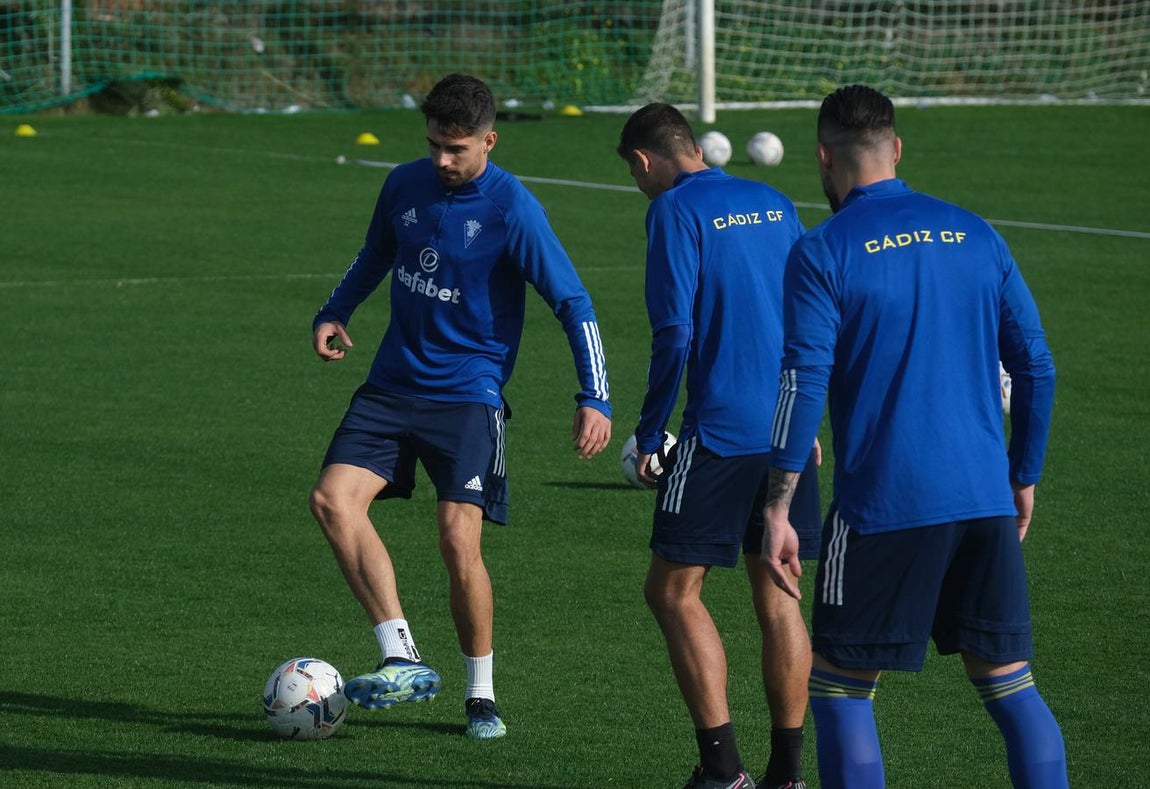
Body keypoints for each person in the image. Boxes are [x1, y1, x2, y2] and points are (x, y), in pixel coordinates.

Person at [761, 84, 1067, 787]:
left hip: (884, 506)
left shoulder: (822, 249)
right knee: (1010, 683)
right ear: (896, 149)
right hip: (984, 498)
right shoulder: (976, 233)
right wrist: (1023, 474)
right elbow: (1037, 366)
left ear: (823, 157)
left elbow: (802, 381)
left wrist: (778, 505)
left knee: (839, 687)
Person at [309, 73, 612, 740]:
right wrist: (335, 311)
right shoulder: (403, 184)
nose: (442, 160)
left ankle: (481, 695)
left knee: (456, 538)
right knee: (331, 501)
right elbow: (375, 254)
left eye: (457, 149)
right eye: (434, 146)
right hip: (391, 385)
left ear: (489, 141)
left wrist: (595, 396)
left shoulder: (512, 208)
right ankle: (400, 653)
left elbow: (573, 303)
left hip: (468, 397)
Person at [618, 102, 822, 789]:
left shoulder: (673, 210)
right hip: (787, 430)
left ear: (644, 160)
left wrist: (652, 431)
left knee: (672, 591)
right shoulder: (774, 200)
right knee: (780, 595)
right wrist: (807, 420)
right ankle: (787, 775)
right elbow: (812, 315)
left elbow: (674, 333)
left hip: (720, 433)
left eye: (636, 175)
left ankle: (724, 770)